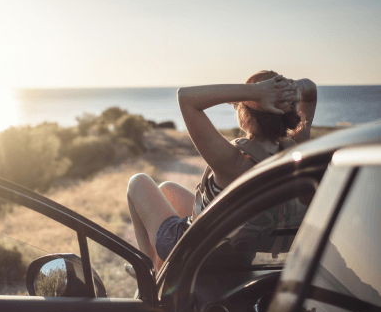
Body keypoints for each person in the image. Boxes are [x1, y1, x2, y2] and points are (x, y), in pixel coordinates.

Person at [127, 71, 317, 271]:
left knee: (137, 182)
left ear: (246, 116)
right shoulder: (297, 151)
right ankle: (159, 274)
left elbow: (185, 98)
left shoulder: (234, 161)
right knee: (167, 189)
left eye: (240, 104)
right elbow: (311, 90)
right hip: (241, 252)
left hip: (197, 253)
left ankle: (146, 274)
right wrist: (287, 89)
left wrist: (253, 91)